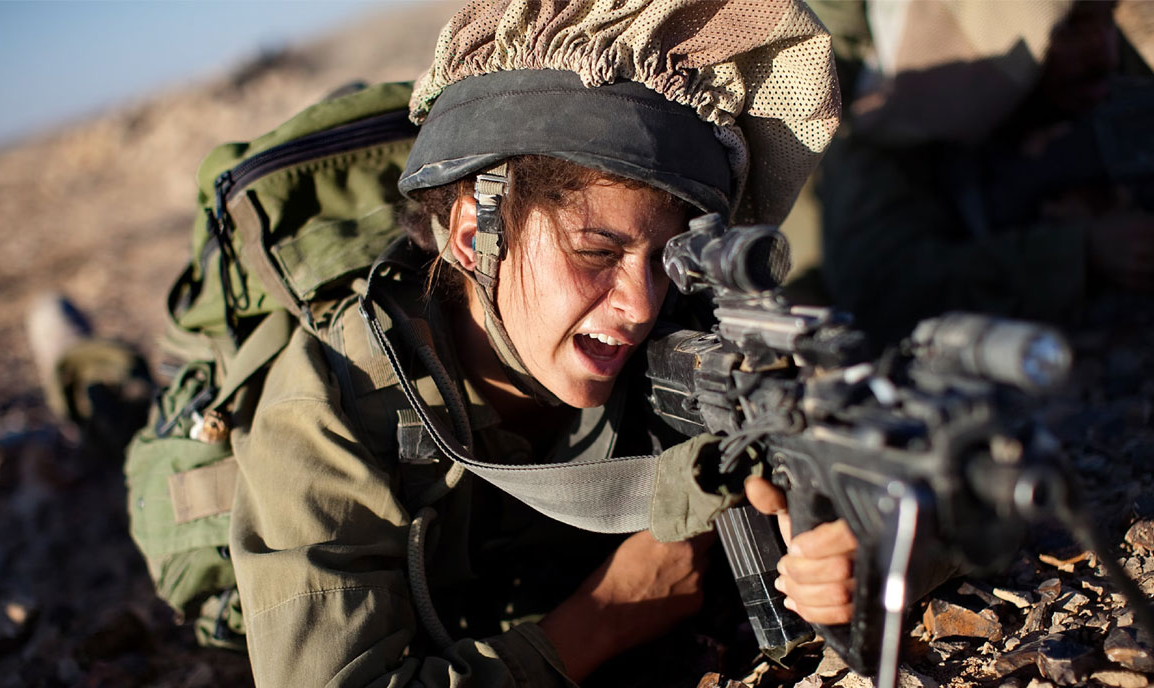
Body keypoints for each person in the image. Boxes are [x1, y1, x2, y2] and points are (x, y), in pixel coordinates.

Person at [218, 1, 857, 685]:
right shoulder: (326, 411)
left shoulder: (691, 342)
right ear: (472, 236)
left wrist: (850, 545)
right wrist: (597, 622)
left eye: (666, 260)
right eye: (595, 252)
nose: (641, 305)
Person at [816, 0, 1154, 343]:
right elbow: (881, 290)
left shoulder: (1103, 86)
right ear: (996, 37)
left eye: (1108, 19)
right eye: (1073, 29)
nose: (1105, 50)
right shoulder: (894, 130)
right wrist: (1080, 252)